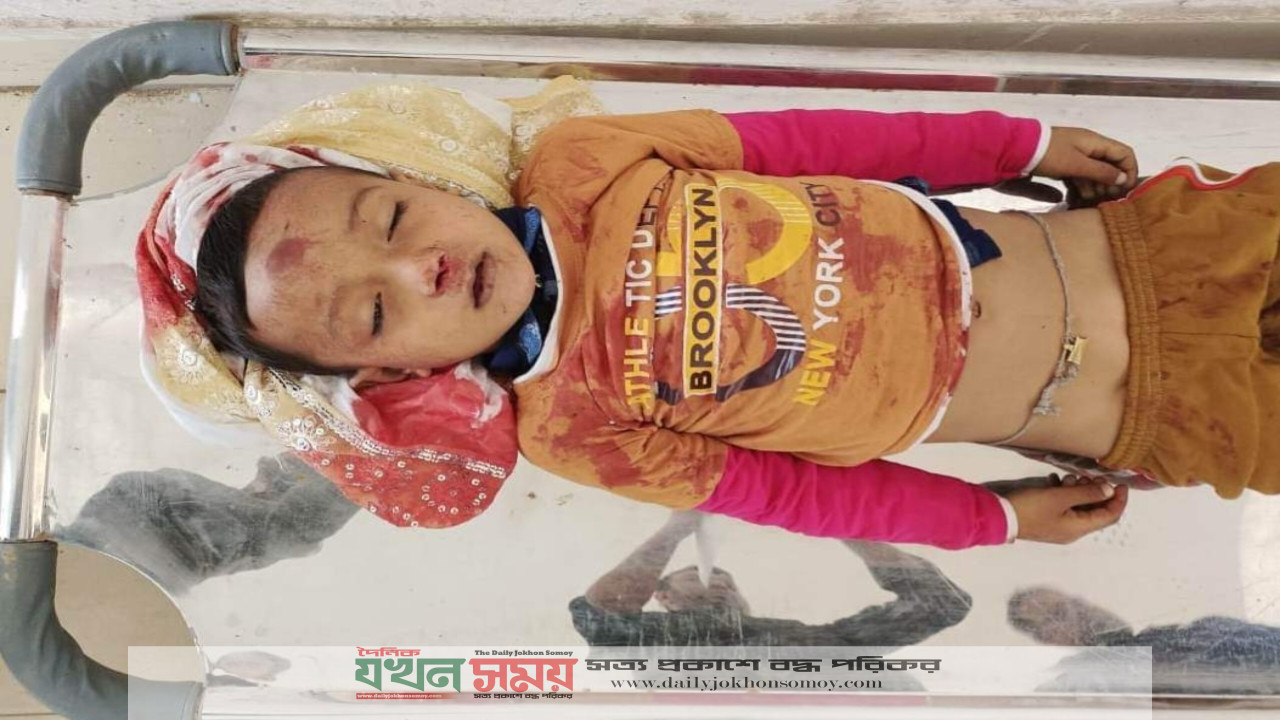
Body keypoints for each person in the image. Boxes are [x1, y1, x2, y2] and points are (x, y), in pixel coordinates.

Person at [136, 77, 1280, 550]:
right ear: (387, 383)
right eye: (375, 312)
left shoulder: (583, 163)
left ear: (410, 171)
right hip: (1141, 409)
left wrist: (1011, 142)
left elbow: (819, 140)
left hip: (1143, 250)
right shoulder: (573, 427)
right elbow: (802, 497)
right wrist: (991, 523)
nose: (419, 268)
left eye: (389, 218)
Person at [570, 511, 971, 647]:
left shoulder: (819, 643)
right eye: (701, 574)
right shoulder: (647, 640)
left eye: (730, 579)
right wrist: (676, 529)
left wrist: (839, 524)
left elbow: (942, 605)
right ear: (663, 596)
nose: (724, 583)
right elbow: (600, 615)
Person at [63, 454, 358, 594]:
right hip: (141, 529)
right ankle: (342, 470)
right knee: (270, 533)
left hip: (152, 532)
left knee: (276, 534)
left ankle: (360, 470)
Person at [1008, 586, 1280, 695]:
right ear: (1048, 637)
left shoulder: (1198, 627)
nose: (1085, 610)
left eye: (1077, 601)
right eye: (1060, 613)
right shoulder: (1098, 682)